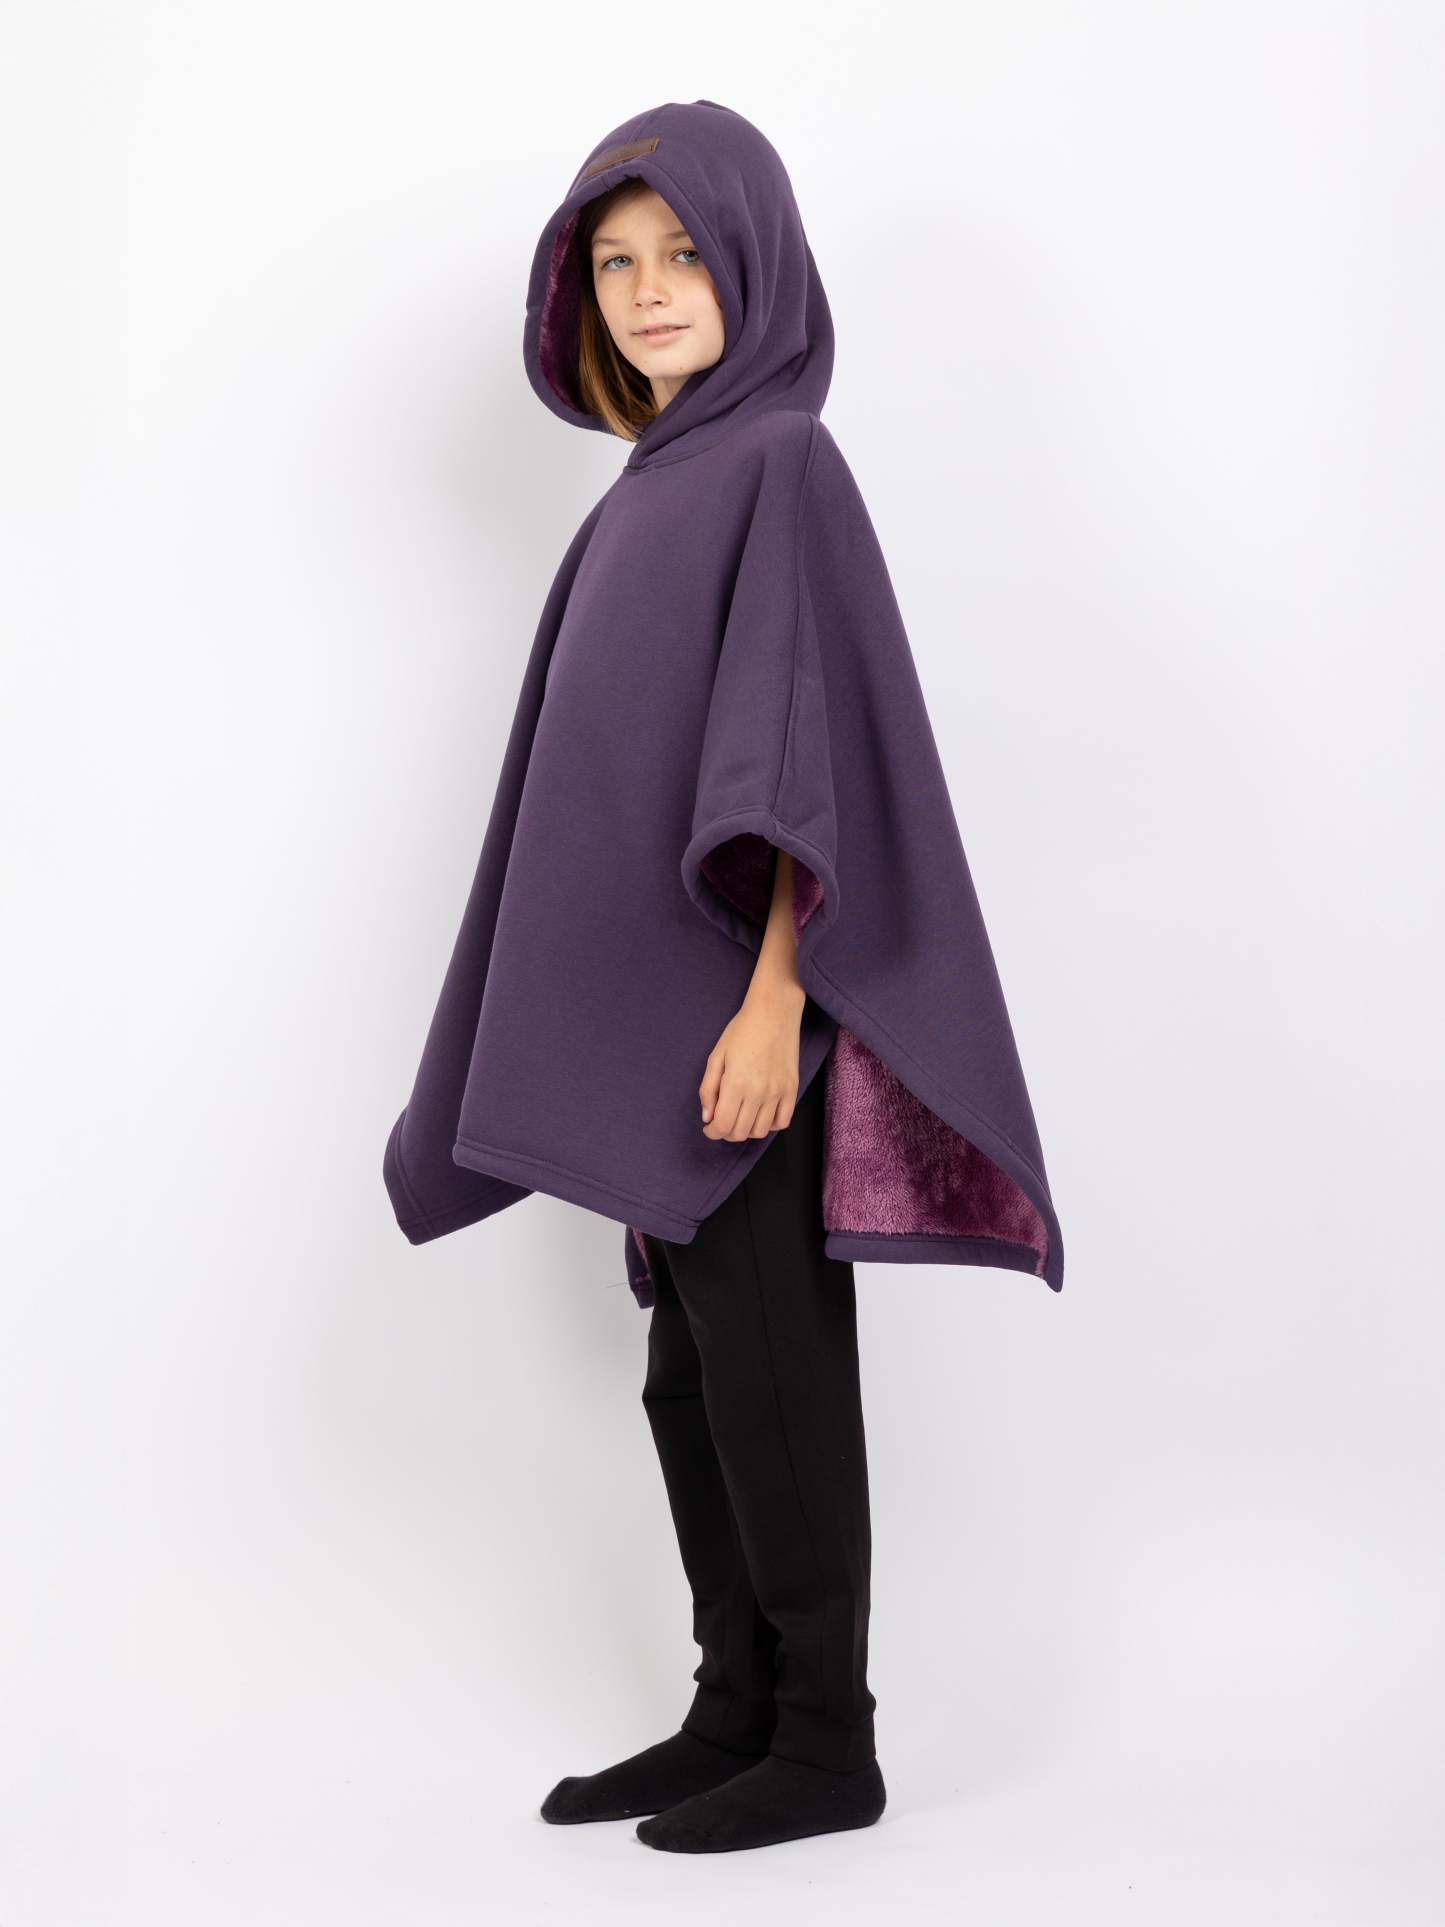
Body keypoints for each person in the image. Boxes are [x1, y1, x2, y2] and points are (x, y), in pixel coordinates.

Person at [383, 99, 1065, 1855]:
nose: (645, 289)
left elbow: (792, 756)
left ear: (753, 258)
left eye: (682, 251)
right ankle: (731, 1710)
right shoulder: (648, 490)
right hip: (663, 1041)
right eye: (613, 261)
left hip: (744, 1029)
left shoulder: (779, 466)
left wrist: (774, 1003)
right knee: (688, 1372)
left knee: (770, 1364)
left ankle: (827, 1744)